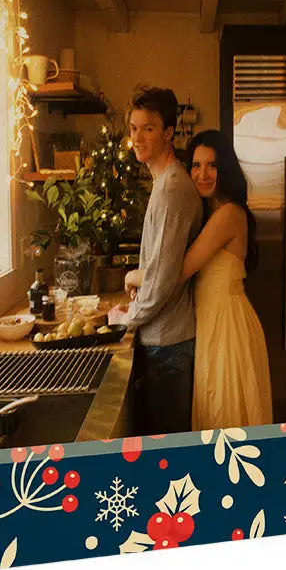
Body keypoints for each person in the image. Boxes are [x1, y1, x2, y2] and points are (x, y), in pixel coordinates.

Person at [126, 129, 273, 430]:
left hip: (227, 327)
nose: (202, 174)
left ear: (225, 170)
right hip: (211, 324)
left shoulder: (228, 215)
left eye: (212, 166)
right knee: (214, 414)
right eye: (195, 165)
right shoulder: (211, 214)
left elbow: (177, 272)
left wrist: (133, 275)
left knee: (225, 418)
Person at [107, 87, 204, 435]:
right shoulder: (165, 183)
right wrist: (136, 280)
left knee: (165, 450)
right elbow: (163, 265)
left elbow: (163, 279)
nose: (137, 137)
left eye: (147, 128)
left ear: (168, 133)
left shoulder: (172, 190)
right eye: (133, 128)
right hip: (164, 340)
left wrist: (127, 320)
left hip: (168, 344)